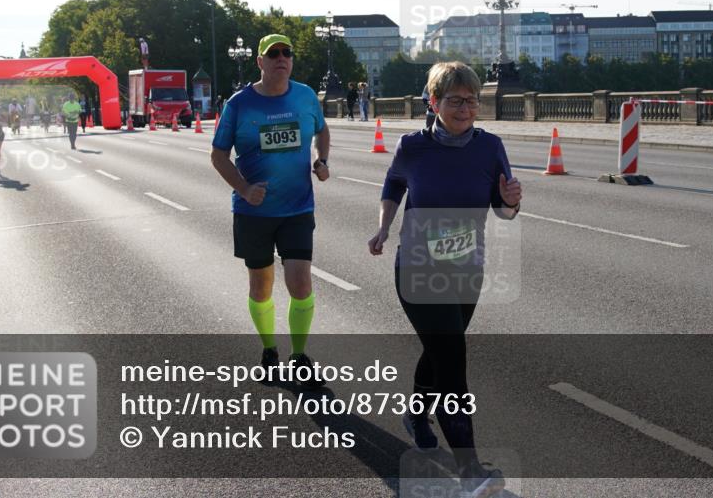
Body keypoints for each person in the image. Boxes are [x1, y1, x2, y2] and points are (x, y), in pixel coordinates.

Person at [368, 61, 522, 498]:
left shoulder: (490, 148)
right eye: (454, 100)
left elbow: (503, 210)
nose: (465, 108)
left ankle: (417, 415)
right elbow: (394, 183)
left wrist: (511, 203)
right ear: (433, 102)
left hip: (467, 268)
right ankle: (470, 469)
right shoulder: (411, 147)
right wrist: (384, 225)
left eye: (472, 100)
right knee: (452, 361)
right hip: (418, 269)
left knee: (439, 353)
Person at [211, 34, 331, 389]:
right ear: (260, 62)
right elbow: (218, 155)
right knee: (261, 287)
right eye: (273, 53)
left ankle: (299, 355)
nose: (281, 58)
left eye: (286, 53)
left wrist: (322, 160)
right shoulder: (239, 103)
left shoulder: (306, 96)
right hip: (253, 213)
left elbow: (322, 132)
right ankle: (268, 349)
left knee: (300, 283)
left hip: (297, 208)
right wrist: (244, 189)